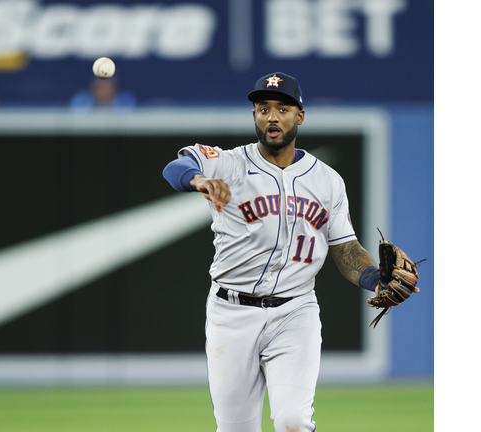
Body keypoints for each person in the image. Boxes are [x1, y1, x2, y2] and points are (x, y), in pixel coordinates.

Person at [162, 72, 418, 432]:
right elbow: (175, 167)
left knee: (293, 422)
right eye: (263, 108)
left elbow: (345, 248)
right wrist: (199, 180)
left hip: (295, 312)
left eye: (283, 109)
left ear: (300, 116)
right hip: (230, 314)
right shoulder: (230, 163)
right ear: (254, 116)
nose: (272, 117)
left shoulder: (327, 180)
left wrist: (375, 278)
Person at [68, 77, 136, 112]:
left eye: (107, 83)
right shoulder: (82, 102)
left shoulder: (124, 103)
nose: (103, 88)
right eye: (100, 85)